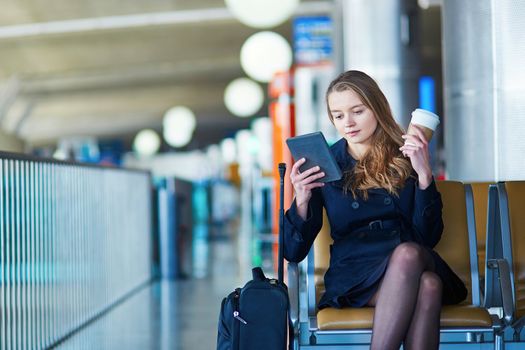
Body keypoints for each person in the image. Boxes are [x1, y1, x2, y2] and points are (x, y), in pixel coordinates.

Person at [283, 70, 467, 350]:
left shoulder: (405, 155)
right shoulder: (325, 163)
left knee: (409, 254)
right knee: (428, 287)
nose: (349, 123)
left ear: (377, 108)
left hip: (411, 257)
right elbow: (293, 252)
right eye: (339, 115)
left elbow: (428, 237)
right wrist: (302, 200)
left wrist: (424, 175)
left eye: (358, 111)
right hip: (355, 272)